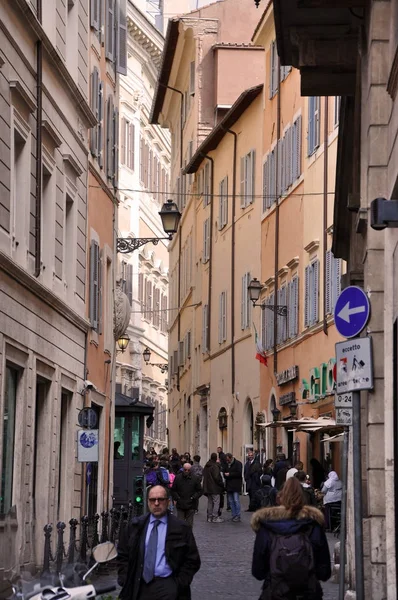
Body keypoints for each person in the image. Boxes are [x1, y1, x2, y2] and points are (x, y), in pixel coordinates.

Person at [251, 477, 331, 600]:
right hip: (308, 592)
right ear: (303, 498)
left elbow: (258, 571)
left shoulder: (267, 525)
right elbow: (324, 572)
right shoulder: (313, 524)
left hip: (276, 591)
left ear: (279, 498)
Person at [118, 485, 201, 600]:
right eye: (152, 500)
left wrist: (178, 584)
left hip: (168, 585)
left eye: (160, 499)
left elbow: (192, 560)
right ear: (148, 502)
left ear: (168, 502)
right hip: (140, 586)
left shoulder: (180, 528)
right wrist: (125, 578)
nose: (156, 503)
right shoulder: (136, 526)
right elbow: (123, 554)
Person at [171, 463, 202, 527]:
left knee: (189, 524)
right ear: (183, 469)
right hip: (181, 504)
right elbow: (173, 490)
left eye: (188, 470)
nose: (187, 471)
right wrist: (177, 498)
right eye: (185, 470)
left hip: (191, 504)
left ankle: (188, 536)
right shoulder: (178, 478)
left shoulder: (195, 478)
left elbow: (200, 490)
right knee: (180, 524)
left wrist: (193, 497)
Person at [202, 452, 225, 523]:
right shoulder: (215, 466)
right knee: (216, 502)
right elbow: (216, 477)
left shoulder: (207, 466)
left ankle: (209, 517)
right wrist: (221, 484)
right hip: (215, 487)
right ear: (216, 458)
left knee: (210, 502)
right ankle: (215, 517)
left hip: (208, 487)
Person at [224, 452, 243, 522]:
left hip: (236, 485)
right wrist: (225, 475)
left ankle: (238, 515)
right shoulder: (227, 464)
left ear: (231, 458)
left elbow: (239, 473)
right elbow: (224, 472)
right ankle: (234, 514)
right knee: (231, 501)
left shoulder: (238, 463)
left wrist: (230, 474)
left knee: (236, 500)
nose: (227, 461)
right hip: (229, 485)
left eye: (228, 459)